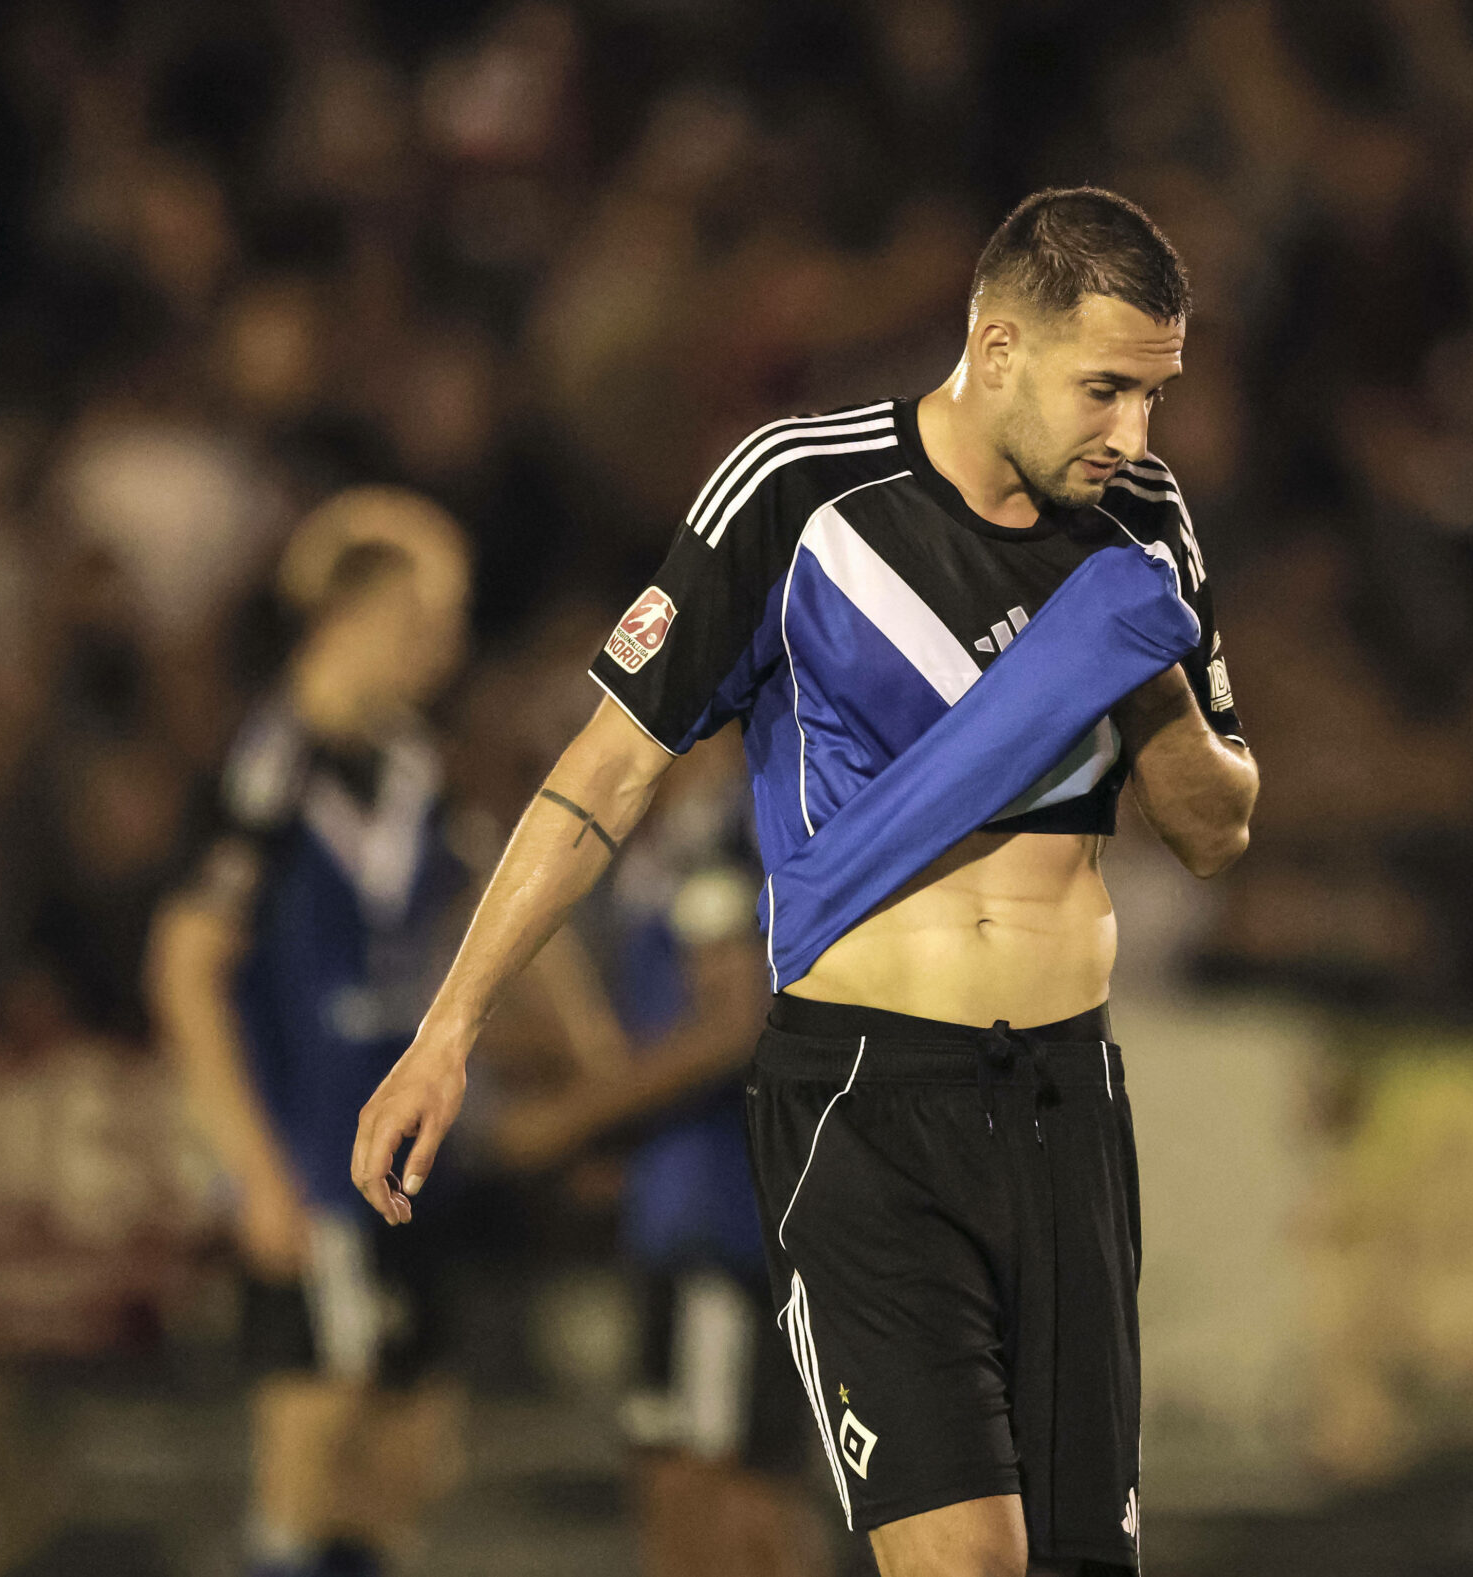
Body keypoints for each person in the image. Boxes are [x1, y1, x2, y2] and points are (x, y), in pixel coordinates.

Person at [351, 187, 1257, 1577]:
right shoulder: (796, 489)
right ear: (998, 347)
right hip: (866, 1094)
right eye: (1105, 390)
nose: (1132, 433)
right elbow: (607, 770)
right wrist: (448, 1029)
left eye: (1154, 395)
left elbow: (1214, 825)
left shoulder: (1140, 518)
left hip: (1068, 1099)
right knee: (959, 1560)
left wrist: (1146, 670)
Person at [149, 489, 476, 1577]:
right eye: (431, 615)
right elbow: (185, 966)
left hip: (408, 1157)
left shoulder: (415, 766)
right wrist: (254, 1170)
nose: (449, 644)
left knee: (403, 1461)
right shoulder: (271, 763)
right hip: (312, 1152)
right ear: (359, 610)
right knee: (313, 1451)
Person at [489, 730, 828, 1577]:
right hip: (682, 1217)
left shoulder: (722, 834)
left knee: (725, 1499)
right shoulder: (669, 844)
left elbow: (733, 1023)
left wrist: (568, 1120)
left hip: (725, 1222)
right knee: (688, 1487)